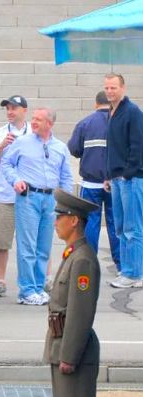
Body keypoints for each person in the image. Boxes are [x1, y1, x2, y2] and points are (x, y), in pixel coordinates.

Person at [45, 190, 101, 397]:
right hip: (59, 344)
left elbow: (81, 313)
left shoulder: (83, 261)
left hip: (73, 350)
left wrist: (69, 355)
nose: (56, 223)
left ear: (74, 221)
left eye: (60, 217)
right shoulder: (72, 255)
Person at [2, 107, 74, 306]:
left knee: (44, 245)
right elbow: (6, 164)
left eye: (39, 119)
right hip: (28, 197)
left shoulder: (60, 147)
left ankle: (39, 286)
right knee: (27, 245)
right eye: (33, 118)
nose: (33, 122)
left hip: (50, 199)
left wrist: (65, 201)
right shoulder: (22, 143)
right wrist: (15, 180)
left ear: (49, 124)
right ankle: (26, 290)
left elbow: (66, 176)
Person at [0, 95, 31, 299]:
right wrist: (1, 145)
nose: (10, 112)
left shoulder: (34, 132)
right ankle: (1, 281)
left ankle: (39, 279)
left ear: (24, 110)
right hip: (6, 195)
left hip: (30, 195)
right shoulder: (0, 133)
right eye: (8, 109)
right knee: (2, 241)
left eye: (15, 108)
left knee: (32, 241)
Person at [68, 91, 120, 271]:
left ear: (96, 103)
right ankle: (120, 264)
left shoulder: (85, 123)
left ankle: (88, 263)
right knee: (116, 222)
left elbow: (74, 149)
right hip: (116, 184)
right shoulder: (119, 122)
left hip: (90, 183)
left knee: (91, 222)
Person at [103, 72, 143, 288]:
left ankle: (135, 274)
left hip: (131, 179)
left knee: (132, 228)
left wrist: (127, 173)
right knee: (120, 228)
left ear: (123, 88)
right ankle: (126, 271)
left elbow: (138, 146)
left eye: (113, 87)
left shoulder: (133, 112)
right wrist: (108, 175)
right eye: (107, 88)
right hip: (116, 179)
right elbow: (112, 147)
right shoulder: (112, 111)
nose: (110, 91)